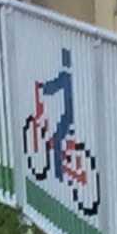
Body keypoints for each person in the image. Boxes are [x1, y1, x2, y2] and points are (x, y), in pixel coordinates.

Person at [37, 49, 74, 179]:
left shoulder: (66, 75)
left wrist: (43, 88)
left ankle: (59, 174)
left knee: (57, 138)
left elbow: (54, 87)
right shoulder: (77, 75)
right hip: (78, 114)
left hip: (70, 115)